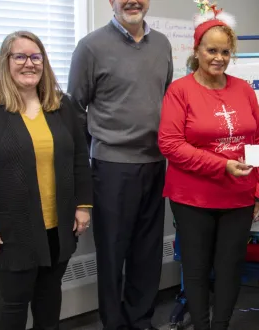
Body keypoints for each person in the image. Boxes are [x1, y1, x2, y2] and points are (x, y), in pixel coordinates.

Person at [0, 30, 93, 330]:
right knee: (14, 302)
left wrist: (83, 205)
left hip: (58, 225)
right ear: (5, 62)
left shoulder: (60, 105)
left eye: (36, 57)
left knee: (48, 298)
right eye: (20, 56)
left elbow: (80, 159)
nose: (28, 64)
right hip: (10, 230)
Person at [157, 3, 259, 329]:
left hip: (238, 196)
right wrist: (221, 166)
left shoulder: (243, 89)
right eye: (211, 50)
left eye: (225, 51)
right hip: (192, 197)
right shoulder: (180, 91)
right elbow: (170, 144)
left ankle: (220, 325)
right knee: (195, 267)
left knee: (230, 266)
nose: (218, 58)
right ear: (197, 50)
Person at [66, 0, 173, 328]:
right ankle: (113, 324)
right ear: (111, 2)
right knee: (113, 255)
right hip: (112, 166)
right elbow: (74, 110)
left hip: (155, 163)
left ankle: (140, 321)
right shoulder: (90, 47)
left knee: (147, 253)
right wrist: (89, 160)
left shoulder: (163, 44)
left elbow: (167, 99)